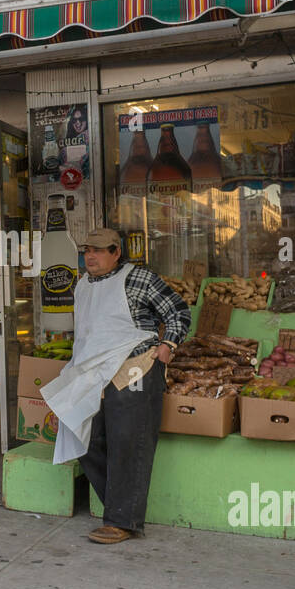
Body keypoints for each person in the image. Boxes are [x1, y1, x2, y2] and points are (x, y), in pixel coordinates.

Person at [40, 228, 190, 545]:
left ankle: (121, 520)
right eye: (87, 250)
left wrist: (168, 346)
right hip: (93, 372)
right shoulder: (82, 286)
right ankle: (122, 505)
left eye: (99, 250)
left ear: (116, 252)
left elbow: (177, 310)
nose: (90, 256)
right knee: (86, 435)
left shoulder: (140, 279)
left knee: (128, 441)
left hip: (135, 368)